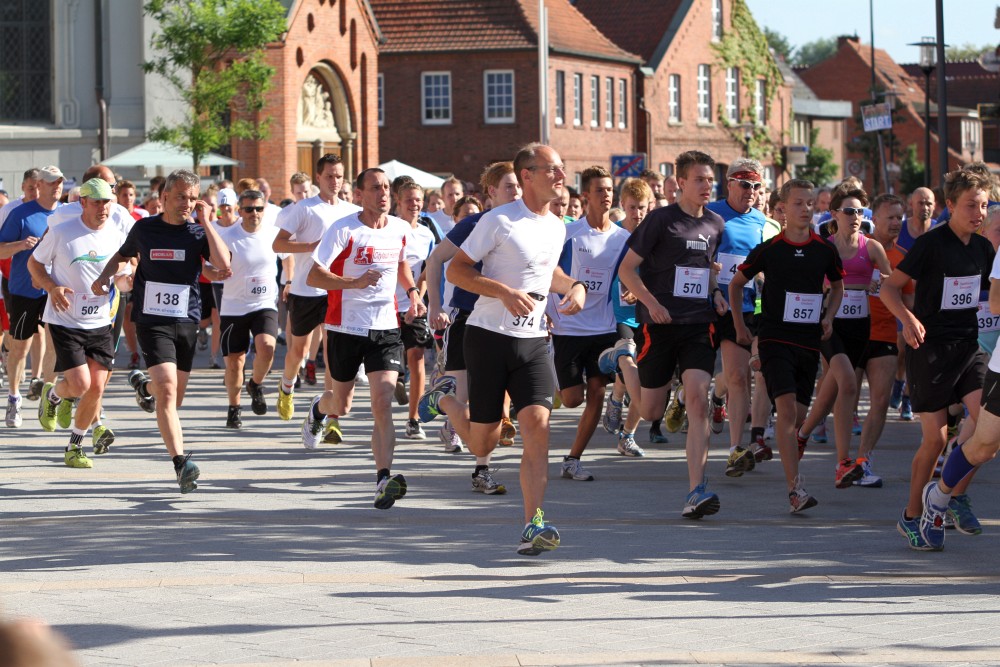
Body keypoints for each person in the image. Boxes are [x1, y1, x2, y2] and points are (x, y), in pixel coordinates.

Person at [420, 143, 586, 555]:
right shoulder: (498, 220)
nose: (561, 176)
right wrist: (504, 292)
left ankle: (534, 523)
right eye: (552, 169)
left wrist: (575, 286)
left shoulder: (557, 225)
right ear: (527, 175)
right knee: (483, 445)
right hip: (488, 338)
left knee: (538, 429)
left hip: (533, 343)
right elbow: (457, 270)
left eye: (561, 168)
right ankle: (444, 400)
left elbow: (549, 273)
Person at [93, 169, 232, 493]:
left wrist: (206, 222)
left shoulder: (197, 233)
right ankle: (181, 463)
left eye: (193, 198)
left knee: (173, 398)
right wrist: (103, 277)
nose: (187, 203)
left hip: (186, 320)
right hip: (152, 321)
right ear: (165, 196)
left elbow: (223, 263)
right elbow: (122, 255)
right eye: (181, 196)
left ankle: (144, 386)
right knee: (167, 391)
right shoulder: (145, 229)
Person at [881, 167, 995, 550]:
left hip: (968, 348)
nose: (979, 213)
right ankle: (912, 514)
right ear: (950, 205)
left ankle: (952, 495)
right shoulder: (931, 244)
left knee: (988, 428)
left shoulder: (983, 249)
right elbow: (890, 289)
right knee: (935, 439)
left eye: (984, 206)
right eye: (971, 206)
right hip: (929, 350)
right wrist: (908, 318)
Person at [301, 167, 425, 509]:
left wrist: (412, 291)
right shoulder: (344, 229)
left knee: (382, 402)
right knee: (340, 405)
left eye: (386, 187)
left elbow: (402, 264)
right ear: (359, 194)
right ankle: (318, 409)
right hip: (344, 327)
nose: (383, 194)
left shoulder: (399, 228)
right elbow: (313, 275)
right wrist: (353, 283)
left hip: (385, 327)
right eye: (375, 188)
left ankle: (383, 479)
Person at [618, 150, 729, 519]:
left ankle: (697, 489)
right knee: (650, 409)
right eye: (699, 179)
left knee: (698, 400)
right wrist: (651, 304)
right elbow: (627, 270)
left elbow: (706, 269)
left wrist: (716, 293)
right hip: (660, 325)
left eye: (710, 179)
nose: (707, 185)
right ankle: (622, 361)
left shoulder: (715, 224)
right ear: (681, 182)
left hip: (698, 323)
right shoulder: (661, 220)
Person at [729, 179, 845, 513]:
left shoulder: (824, 249)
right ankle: (795, 489)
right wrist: (740, 326)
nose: (806, 209)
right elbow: (736, 284)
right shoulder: (770, 249)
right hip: (774, 338)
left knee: (799, 416)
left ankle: (787, 456)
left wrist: (829, 317)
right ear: (782, 208)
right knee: (787, 409)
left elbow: (838, 286)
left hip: (808, 341)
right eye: (798, 203)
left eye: (810, 203)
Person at [422, 161, 521, 495]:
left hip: (509, 322)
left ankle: (481, 468)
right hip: (468, 319)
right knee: (466, 401)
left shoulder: (529, 225)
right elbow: (435, 260)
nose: (517, 192)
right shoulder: (475, 223)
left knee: (491, 404)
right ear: (492, 192)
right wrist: (435, 306)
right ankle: (445, 402)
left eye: (519, 186)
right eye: (509, 186)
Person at [795, 185, 891, 488]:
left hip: (860, 325)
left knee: (832, 388)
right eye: (849, 211)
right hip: (829, 324)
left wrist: (878, 282)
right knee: (848, 383)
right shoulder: (824, 247)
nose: (855, 217)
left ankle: (802, 434)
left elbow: (891, 281)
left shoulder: (871, 247)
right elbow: (806, 281)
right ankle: (843, 463)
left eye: (860, 212)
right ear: (834, 214)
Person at [29, 178, 126, 467]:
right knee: (81, 384)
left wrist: (123, 278)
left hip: (100, 321)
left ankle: (75, 446)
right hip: (65, 319)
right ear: (82, 203)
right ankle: (53, 393)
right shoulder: (62, 232)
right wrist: (52, 287)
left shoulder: (116, 233)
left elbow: (124, 265)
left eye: (107, 202)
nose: (103, 208)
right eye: (96, 202)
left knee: (97, 387)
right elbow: (34, 263)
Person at [550, 166, 636, 480]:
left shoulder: (623, 238)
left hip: (604, 326)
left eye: (609, 190)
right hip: (568, 326)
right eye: (599, 190)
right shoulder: (569, 234)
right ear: (586, 196)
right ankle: (554, 374)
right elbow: (550, 272)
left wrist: (631, 290)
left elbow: (630, 273)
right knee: (572, 399)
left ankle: (573, 459)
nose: (606, 195)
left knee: (597, 392)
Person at [273, 154, 360, 435]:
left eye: (339, 176)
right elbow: (278, 244)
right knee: (298, 351)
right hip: (304, 290)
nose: (335, 181)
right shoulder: (304, 209)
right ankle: (286, 387)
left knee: (333, 354)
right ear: (318, 178)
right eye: (329, 176)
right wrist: (312, 246)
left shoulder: (352, 211)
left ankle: (332, 418)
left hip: (335, 290)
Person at [705, 159, 768, 476]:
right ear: (729, 183)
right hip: (713, 303)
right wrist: (710, 269)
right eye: (744, 184)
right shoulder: (712, 213)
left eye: (756, 186)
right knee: (727, 376)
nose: (751, 191)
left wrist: (762, 278)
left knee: (740, 377)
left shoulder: (762, 221)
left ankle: (735, 449)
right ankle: (702, 396)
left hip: (745, 308)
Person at [854, 193, 912, 488]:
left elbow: (910, 303)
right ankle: (843, 460)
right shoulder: (857, 249)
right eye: (890, 217)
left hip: (886, 336)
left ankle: (863, 461)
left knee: (879, 401)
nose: (895, 222)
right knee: (846, 399)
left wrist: (911, 326)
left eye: (899, 217)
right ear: (873, 218)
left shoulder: (904, 258)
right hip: (852, 333)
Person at [0, 165, 64, 427]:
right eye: (51, 182)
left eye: (60, 182)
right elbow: (1, 250)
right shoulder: (20, 214)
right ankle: (14, 398)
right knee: (20, 347)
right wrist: (20, 244)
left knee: (54, 345)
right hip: (24, 290)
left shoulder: (67, 214)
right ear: (40, 185)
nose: (57, 187)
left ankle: (48, 399)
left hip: (55, 288)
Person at [213, 189, 280, 429]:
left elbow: (288, 257)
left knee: (267, 347)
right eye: (249, 209)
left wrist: (291, 281)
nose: (254, 213)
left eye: (259, 208)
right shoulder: (226, 236)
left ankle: (256, 384)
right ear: (239, 211)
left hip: (264, 303)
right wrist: (217, 274)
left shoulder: (273, 233)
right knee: (235, 363)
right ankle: (234, 407)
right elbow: (209, 266)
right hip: (234, 306)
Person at [600, 177, 653, 450]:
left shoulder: (654, 235)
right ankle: (618, 401)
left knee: (641, 373)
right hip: (618, 314)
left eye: (642, 207)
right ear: (622, 205)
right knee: (629, 362)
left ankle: (627, 432)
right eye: (632, 207)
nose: (637, 213)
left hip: (647, 314)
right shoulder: (614, 235)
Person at [392, 182, 436, 438]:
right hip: (387, 305)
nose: (414, 204)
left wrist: (417, 298)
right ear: (398, 202)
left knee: (417, 356)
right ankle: (397, 379)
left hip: (413, 303)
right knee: (388, 365)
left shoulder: (427, 234)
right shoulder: (389, 229)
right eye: (409, 199)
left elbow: (427, 271)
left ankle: (414, 419)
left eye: (418, 199)